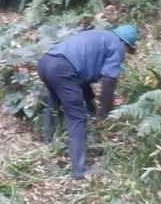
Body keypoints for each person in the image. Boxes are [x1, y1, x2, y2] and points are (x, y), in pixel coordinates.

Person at [37, 23, 138, 181]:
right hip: (63, 69)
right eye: (127, 49)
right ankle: (79, 171)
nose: (125, 53)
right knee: (77, 117)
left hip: (46, 62)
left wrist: (92, 107)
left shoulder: (100, 36)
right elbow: (109, 82)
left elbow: (81, 78)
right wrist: (104, 113)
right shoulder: (117, 46)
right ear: (125, 43)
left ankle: (48, 145)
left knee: (54, 103)